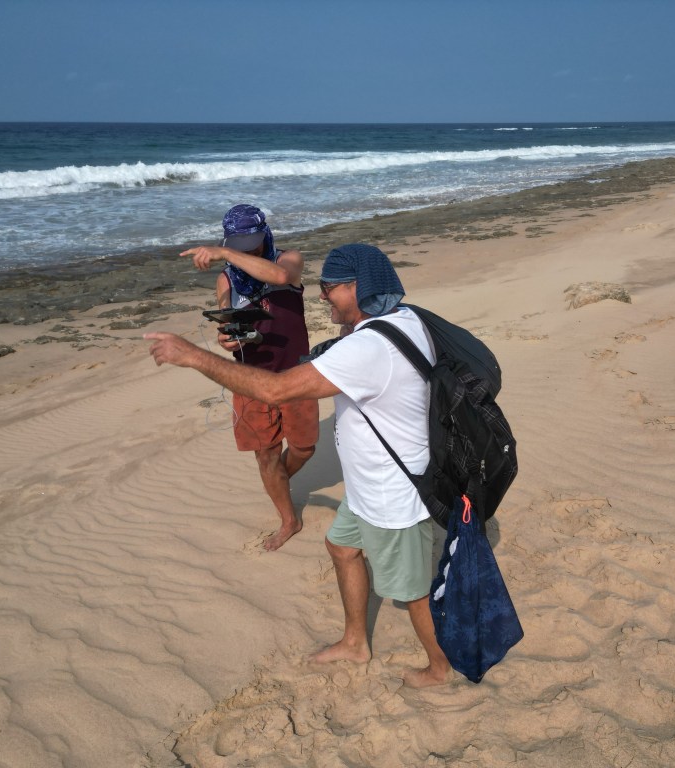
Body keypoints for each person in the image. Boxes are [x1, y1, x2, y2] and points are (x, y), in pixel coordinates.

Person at [146, 243, 451, 687]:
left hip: (393, 494)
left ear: (359, 288)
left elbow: (276, 391)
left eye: (330, 287)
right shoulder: (401, 319)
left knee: (411, 592)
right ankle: (354, 642)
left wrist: (194, 356)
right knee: (342, 547)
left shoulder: (368, 349)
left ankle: (440, 668)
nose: (321, 295)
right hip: (368, 486)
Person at [181, 204, 319, 551]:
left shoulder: (289, 259)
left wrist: (225, 252)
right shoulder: (225, 279)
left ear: (265, 234)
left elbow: (280, 278)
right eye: (238, 244)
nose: (247, 249)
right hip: (251, 377)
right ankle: (289, 519)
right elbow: (227, 329)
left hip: (297, 373)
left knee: (304, 447)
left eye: (252, 242)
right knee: (265, 455)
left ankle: (279, 480)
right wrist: (226, 338)